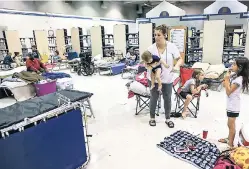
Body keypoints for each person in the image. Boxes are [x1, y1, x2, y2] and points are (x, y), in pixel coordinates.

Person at [147, 24, 184, 127]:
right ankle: (152, 118)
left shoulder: (172, 46)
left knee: (167, 98)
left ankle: (168, 119)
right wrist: (151, 66)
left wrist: (176, 66)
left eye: (159, 35)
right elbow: (145, 63)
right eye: (155, 35)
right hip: (154, 78)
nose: (156, 37)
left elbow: (180, 59)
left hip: (168, 78)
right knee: (154, 97)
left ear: (165, 35)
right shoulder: (151, 48)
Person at [219, 57, 249, 148]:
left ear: (240, 67)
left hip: (234, 106)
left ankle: (230, 144)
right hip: (231, 104)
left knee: (231, 125)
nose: (232, 66)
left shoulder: (239, 80)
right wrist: (227, 77)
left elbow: (228, 92)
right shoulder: (235, 76)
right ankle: (229, 138)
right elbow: (225, 84)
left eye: (234, 64)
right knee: (229, 124)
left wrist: (227, 80)